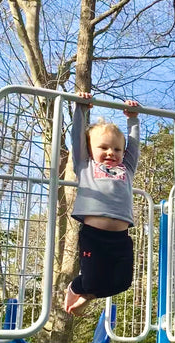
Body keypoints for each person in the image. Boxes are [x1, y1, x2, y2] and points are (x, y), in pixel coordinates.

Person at [64, 92, 141, 316]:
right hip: (94, 236)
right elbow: (77, 137)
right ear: (90, 150)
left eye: (117, 149)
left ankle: (86, 295)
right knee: (91, 279)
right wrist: (81, 109)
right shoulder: (85, 165)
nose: (111, 153)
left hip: (120, 237)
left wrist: (133, 119)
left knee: (122, 282)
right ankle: (78, 288)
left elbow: (134, 146)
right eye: (104, 147)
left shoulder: (126, 168)